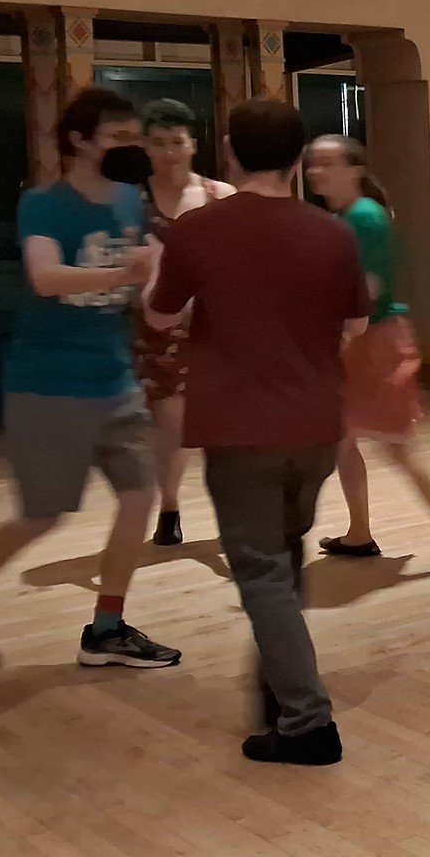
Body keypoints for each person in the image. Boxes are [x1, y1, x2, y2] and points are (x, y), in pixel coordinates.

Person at [148, 99, 370, 765]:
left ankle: (308, 722)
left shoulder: (197, 229)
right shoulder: (332, 233)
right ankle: (278, 691)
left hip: (241, 428)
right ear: (298, 156)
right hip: (315, 427)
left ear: (230, 152)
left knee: (263, 576)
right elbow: (355, 325)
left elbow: (160, 317)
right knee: (283, 554)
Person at [0, 88, 180, 675]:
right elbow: (45, 278)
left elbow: (148, 290)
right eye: (117, 137)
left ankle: (106, 629)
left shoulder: (130, 203)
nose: (129, 147)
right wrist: (126, 268)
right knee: (42, 517)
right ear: (80, 140)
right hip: (49, 384)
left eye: (133, 137)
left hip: (116, 381)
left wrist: (166, 290)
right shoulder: (43, 204)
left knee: (139, 500)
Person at [304, 136, 430, 577]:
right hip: (365, 340)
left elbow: (369, 287)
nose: (315, 172)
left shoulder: (362, 216)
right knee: (345, 441)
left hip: (374, 343)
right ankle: (359, 532)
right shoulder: (348, 215)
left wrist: (338, 339)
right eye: (313, 164)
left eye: (327, 164)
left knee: (397, 450)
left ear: (353, 169)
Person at [131, 98, 232, 547]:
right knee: (170, 420)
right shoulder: (128, 202)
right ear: (145, 147)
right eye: (158, 143)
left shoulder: (219, 196)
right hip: (155, 325)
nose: (169, 152)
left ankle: (232, 511)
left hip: (217, 327)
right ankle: (170, 506)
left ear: (193, 143)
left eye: (177, 141)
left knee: (223, 423)